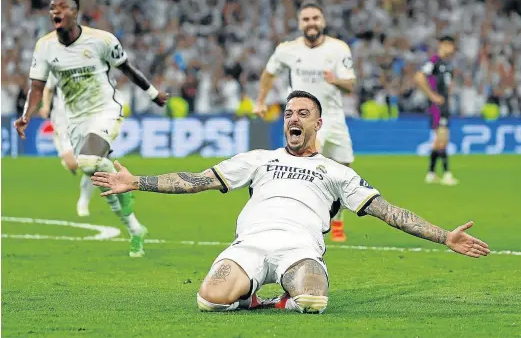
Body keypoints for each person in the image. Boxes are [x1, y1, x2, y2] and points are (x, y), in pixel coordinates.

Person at [92, 90, 490, 314]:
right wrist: (136, 182)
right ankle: (249, 297)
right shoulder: (259, 158)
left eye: (302, 113)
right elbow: (197, 180)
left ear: (318, 124)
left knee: (314, 301)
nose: (292, 119)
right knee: (207, 300)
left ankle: (286, 297)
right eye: (287, 113)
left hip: (299, 248)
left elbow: (389, 212)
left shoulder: (337, 172)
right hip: (249, 244)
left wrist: (444, 237)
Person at [14, 0, 168, 257]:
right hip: (74, 120)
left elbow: (128, 69)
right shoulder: (45, 46)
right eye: (52, 7)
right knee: (95, 173)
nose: (55, 11)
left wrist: (153, 94)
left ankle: (125, 189)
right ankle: (135, 229)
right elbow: (37, 86)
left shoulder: (101, 40)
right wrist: (27, 115)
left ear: (75, 12)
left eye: (61, 6)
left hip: (104, 110)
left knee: (87, 162)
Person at [253, 2, 357, 242]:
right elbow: (269, 73)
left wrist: (335, 80)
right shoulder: (287, 50)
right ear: (300, 24)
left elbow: (350, 85)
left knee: (344, 171)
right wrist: (260, 101)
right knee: (307, 167)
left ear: (323, 21)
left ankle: (337, 219)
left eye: (315, 18)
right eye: (306, 19)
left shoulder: (338, 48)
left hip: (333, 117)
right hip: (304, 119)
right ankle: (306, 223)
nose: (311, 23)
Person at [39, 73, 94, 217]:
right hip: (62, 123)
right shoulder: (56, 68)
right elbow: (48, 89)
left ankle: (83, 201)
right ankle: (68, 162)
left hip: (83, 122)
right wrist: (45, 106)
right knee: (74, 164)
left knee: (92, 164)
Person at [414, 36, 458, 186]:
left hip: (444, 106)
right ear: (443, 45)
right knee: (442, 139)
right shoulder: (434, 61)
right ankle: (446, 174)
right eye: (450, 46)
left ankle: (431, 174)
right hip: (437, 107)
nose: (452, 49)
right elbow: (419, 76)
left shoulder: (448, 65)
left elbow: (449, 84)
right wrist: (432, 95)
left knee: (438, 142)